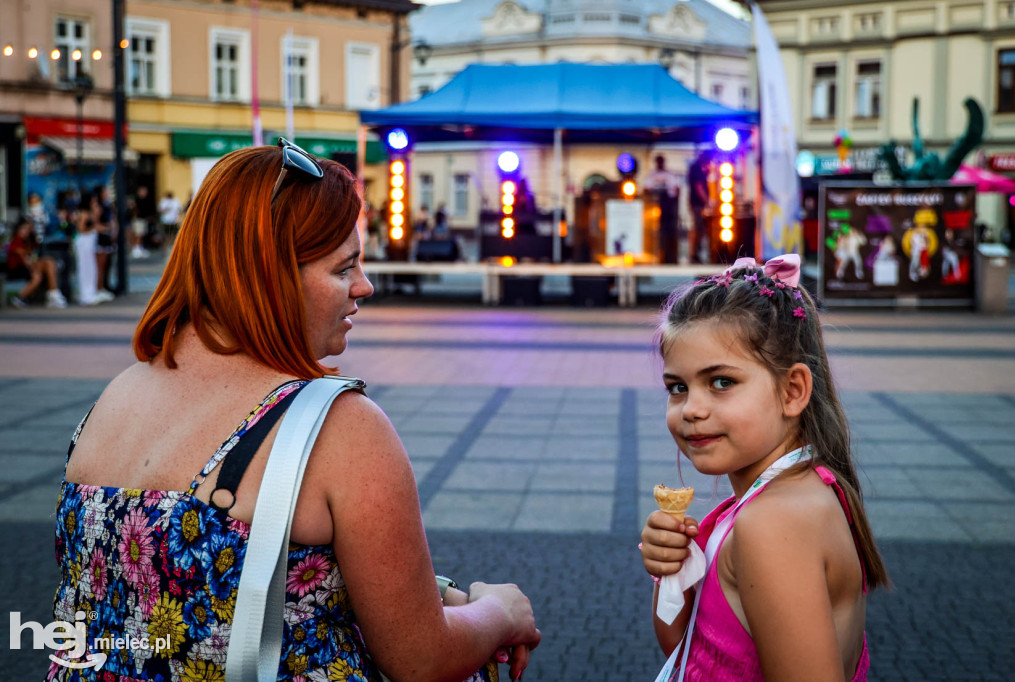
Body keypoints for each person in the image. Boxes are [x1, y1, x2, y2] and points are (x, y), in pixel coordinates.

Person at [49, 141, 541, 681]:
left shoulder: (115, 398)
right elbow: (422, 659)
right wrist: (500, 612)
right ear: (270, 274)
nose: (364, 286)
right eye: (343, 268)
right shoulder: (337, 430)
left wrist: (434, 591)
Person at [639, 255, 888, 680]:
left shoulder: (772, 523)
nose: (692, 409)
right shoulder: (784, 497)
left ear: (792, 391)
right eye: (677, 387)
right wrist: (673, 574)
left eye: (722, 382)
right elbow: (690, 651)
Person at [5, 218, 67, 308]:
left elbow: (33, 255)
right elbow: (25, 259)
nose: (26, 231)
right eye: (24, 228)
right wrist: (34, 267)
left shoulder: (29, 242)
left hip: (27, 267)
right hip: (17, 269)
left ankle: (53, 293)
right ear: (18, 229)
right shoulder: (16, 241)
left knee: (48, 263)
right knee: (43, 269)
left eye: (28, 228)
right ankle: (52, 293)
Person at [644, 155, 682, 264]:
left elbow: (677, 190)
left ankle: (671, 257)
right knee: (659, 233)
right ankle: (659, 255)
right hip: (655, 208)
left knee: (671, 232)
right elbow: (646, 190)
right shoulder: (652, 176)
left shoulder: (669, 175)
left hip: (669, 207)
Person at [686, 152, 711, 264]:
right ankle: (694, 254)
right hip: (698, 204)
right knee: (698, 228)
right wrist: (707, 202)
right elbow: (699, 186)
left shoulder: (696, 168)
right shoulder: (697, 169)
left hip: (696, 203)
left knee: (699, 228)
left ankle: (695, 254)